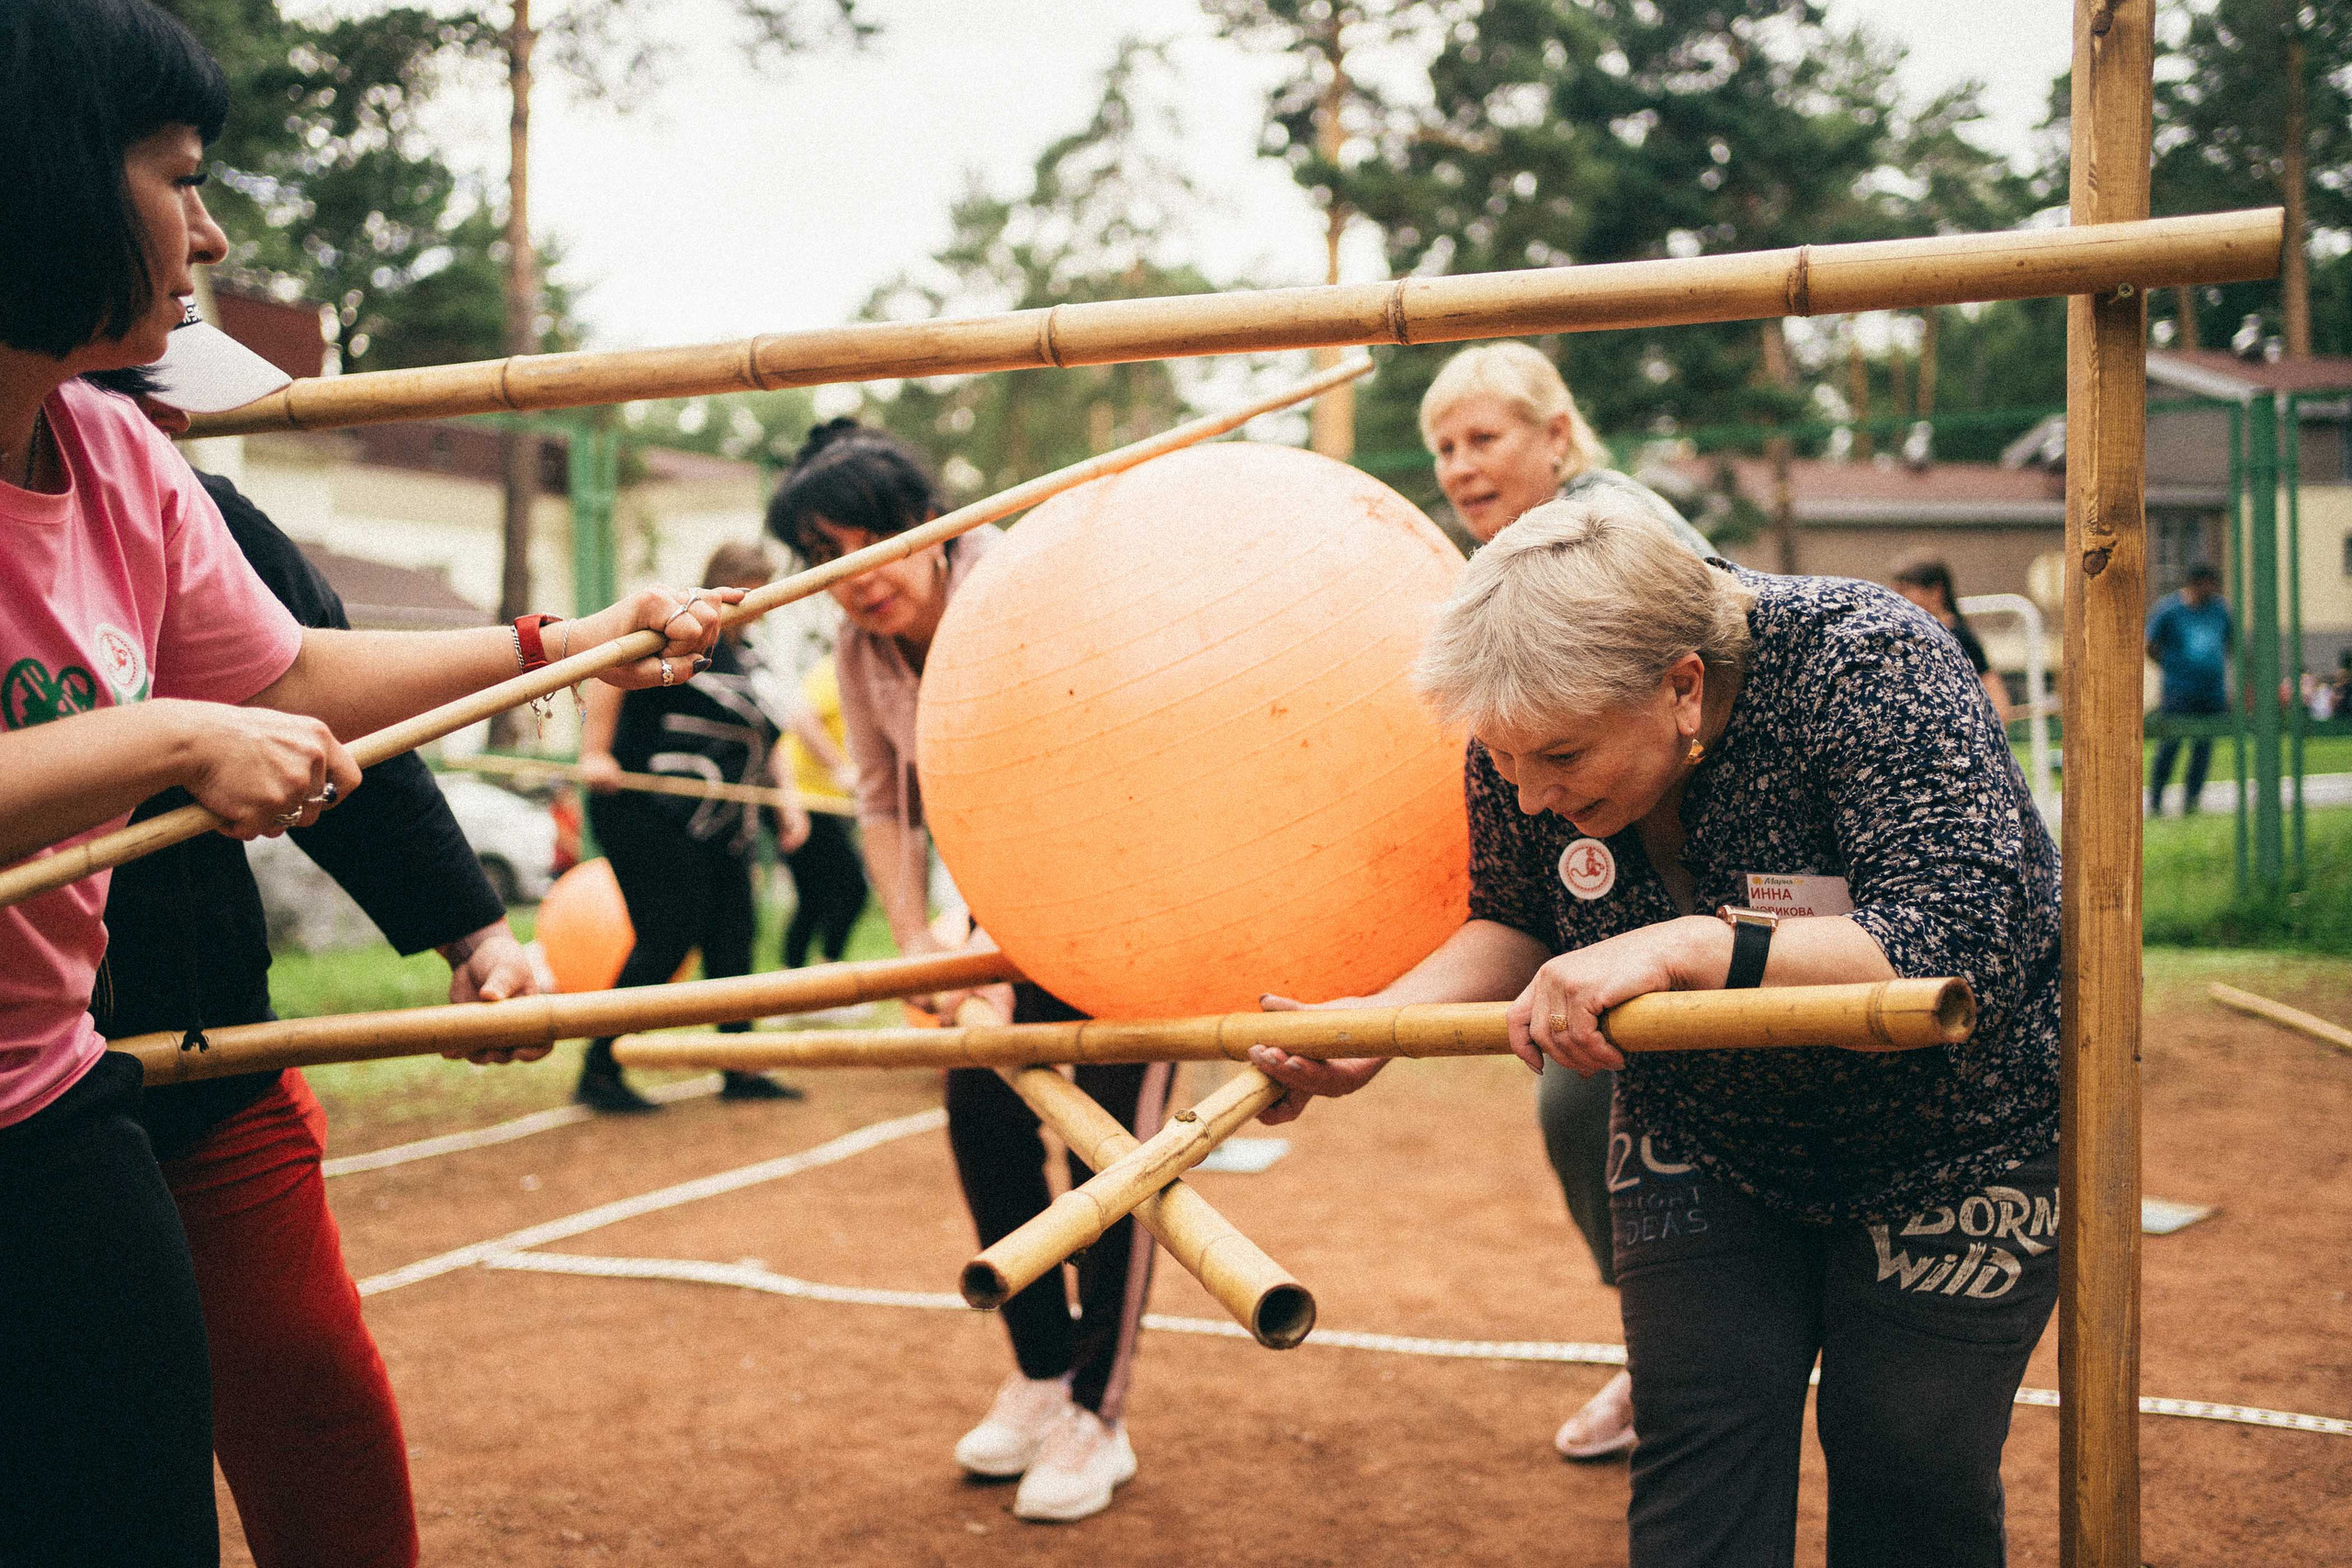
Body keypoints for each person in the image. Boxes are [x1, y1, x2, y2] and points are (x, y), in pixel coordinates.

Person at [0, 6, 724, 1556]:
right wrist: (171, 739)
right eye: (181, 177)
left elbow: (290, 679)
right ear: (45, 173)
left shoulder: (122, 462)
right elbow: (209, 722)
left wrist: (563, 639)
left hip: (51, 1100)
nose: (211, 232)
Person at [1253, 498, 2061, 1568]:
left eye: (1561, 758)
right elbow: (1516, 913)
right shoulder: (1525, 714)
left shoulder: (1870, 663)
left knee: (1907, 1467)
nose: (1531, 797)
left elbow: (1956, 954)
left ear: (1682, 685)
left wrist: (1686, 943)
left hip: (1957, 1141)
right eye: (1501, 761)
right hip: (1703, 1133)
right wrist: (1380, 1024)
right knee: (1696, 1460)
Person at [86, 364, 537, 1568]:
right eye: (145, 386)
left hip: (204, 1052)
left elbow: (333, 729)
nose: (174, 415)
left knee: (308, 1400)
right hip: (44, 1091)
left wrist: (475, 933)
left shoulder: (193, 503)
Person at [766, 419, 1170, 1523]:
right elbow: (886, 800)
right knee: (979, 1111)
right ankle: (1041, 1373)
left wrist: (992, 941)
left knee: (1117, 1152)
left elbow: (1062, 782)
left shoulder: (1015, 591)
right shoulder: (858, 648)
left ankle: (1099, 1409)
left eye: (875, 546)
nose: (860, 581)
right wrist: (919, 952)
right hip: (1009, 909)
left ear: (929, 530)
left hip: (1137, 900)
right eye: (828, 561)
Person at [1419, 340, 1712, 1461]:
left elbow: (1689, 680)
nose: (1458, 465)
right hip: (1607, 886)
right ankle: (1658, 1345)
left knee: (1612, 1103)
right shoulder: (1497, 574)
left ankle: (1679, 1349)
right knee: (1578, 1101)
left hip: (1698, 878)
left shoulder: (1617, 531)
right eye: (1443, 446)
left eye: (1483, 437)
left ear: (1557, 437)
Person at [573, 540, 807, 1111]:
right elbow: (608, 669)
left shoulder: (751, 658)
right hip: (647, 809)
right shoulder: (679, 630)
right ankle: (599, 1070)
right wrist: (596, 751)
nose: (768, 601)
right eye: (759, 587)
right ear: (730, 585)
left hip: (725, 820)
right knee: (667, 935)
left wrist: (789, 802)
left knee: (733, 937)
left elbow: (765, 732)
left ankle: (739, 1067)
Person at [774, 653, 871, 971]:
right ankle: (814, 981)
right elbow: (802, 719)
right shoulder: (837, 669)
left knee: (816, 898)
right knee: (850, 890)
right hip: (805, 805)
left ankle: (804, 986)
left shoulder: (864, 676)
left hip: (828, 805)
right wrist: (840, 769)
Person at [2145, 562, 2233, 815]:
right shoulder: (2170, 610)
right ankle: (2156, 801)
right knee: (2170, 746)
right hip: (2178, 692)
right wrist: (2169, 666)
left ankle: (2192, 801)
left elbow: (2229, 644)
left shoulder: (2220, 610)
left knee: (2202, 749)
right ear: (2196, 583)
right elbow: (2150, 643)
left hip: (2211, 692)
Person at [1889, 557, 2010, 725]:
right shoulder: (1906, 637)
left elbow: (1999, 705)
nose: (1897, 598)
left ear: (1936, 592)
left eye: (1905, 590)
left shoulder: (1959, 638)